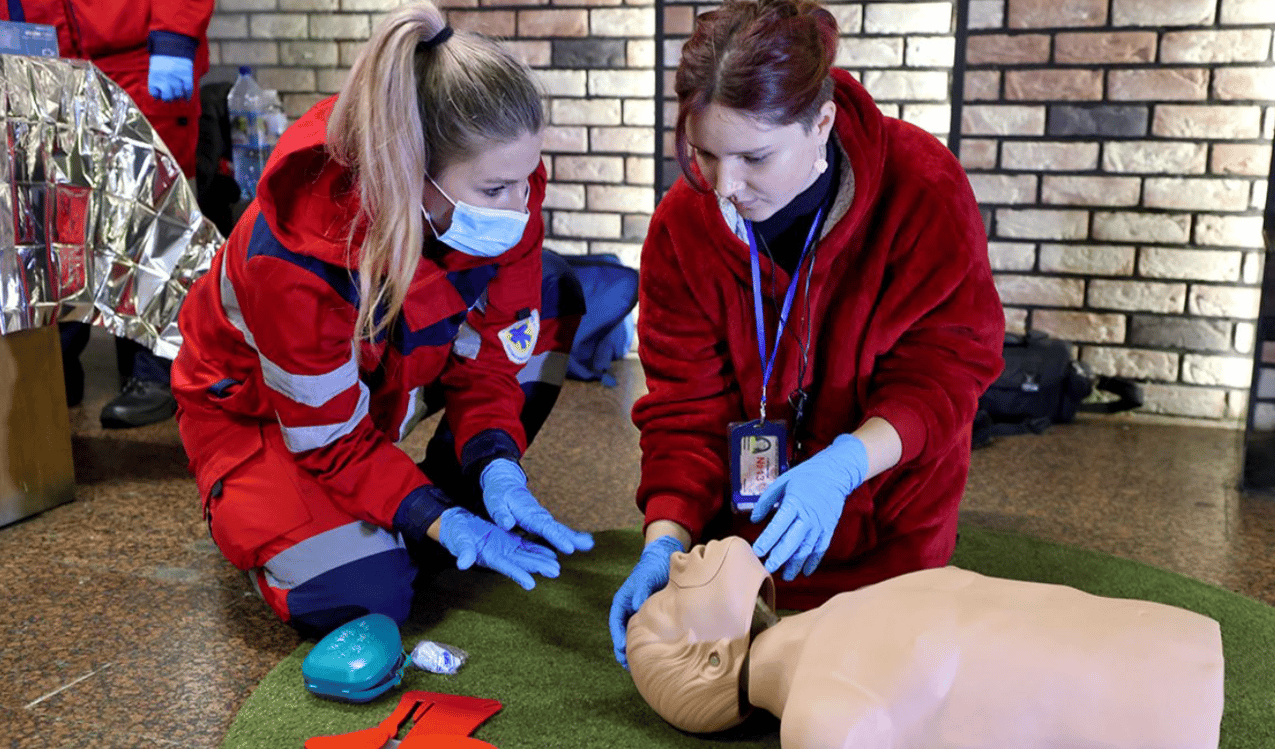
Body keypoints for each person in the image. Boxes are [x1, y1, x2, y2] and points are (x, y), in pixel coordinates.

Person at [171, 0, 594, 638]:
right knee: (364, 595)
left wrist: (494, 457)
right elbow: (326, 437)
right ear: (411, 169)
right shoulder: (296, 256)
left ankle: (445, 496)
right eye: (494, 191)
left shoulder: (504, 190)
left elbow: (493, 362)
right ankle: (269, 523)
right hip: (263, 420)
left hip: (378, 392)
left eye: (526, 178)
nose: (519, 208)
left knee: (555, 292)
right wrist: (430, 516)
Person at [609, 0, 1006, 665]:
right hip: (746, 546)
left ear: (821, 122)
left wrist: (845, 467)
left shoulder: (923, 188)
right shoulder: (683, 225)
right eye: (704, 153)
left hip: (892, 524)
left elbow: (945, 372)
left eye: (755, 158)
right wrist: (666, 538)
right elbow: (684, 411)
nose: (725, 185)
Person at [626, 537, 1225, 749]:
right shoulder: (820, 721)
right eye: (671, 604)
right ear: (711, 660)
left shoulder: (834, 614)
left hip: (1162, 643)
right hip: (1160, 720)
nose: (675, 561)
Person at [1, 0, 213, 427]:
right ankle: (57, 362)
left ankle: (159, 369)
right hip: (41, 57)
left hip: (139, 58)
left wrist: (174, 36)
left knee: (149, 218)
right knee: (56, 217)